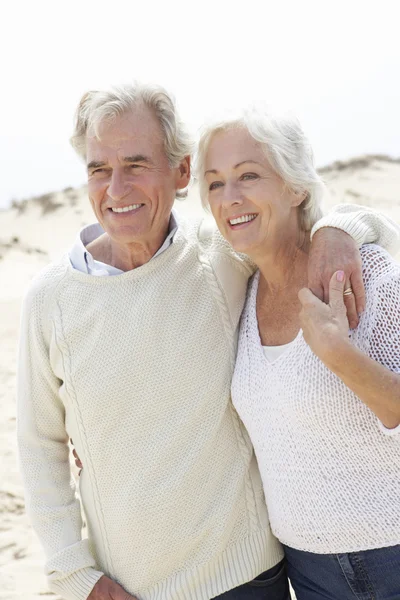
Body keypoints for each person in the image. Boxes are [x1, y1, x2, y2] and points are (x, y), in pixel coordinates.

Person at [17, 83, 400, 600]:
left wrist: (339, 228)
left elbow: (288, 223)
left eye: (136, 164)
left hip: (253, 577)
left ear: (179, 172)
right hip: (130, 588)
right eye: (98, 169)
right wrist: (73, 575)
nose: (116, 188)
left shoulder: (218, 255)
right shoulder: (50, 299)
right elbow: (39, 448)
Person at [197, 107, 400, 600]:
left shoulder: (364, 275)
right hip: (305, 570)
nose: (232, 198)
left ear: (296, 187)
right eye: (215, 183)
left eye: (249, 175)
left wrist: (339, 356)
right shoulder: (240, 293)